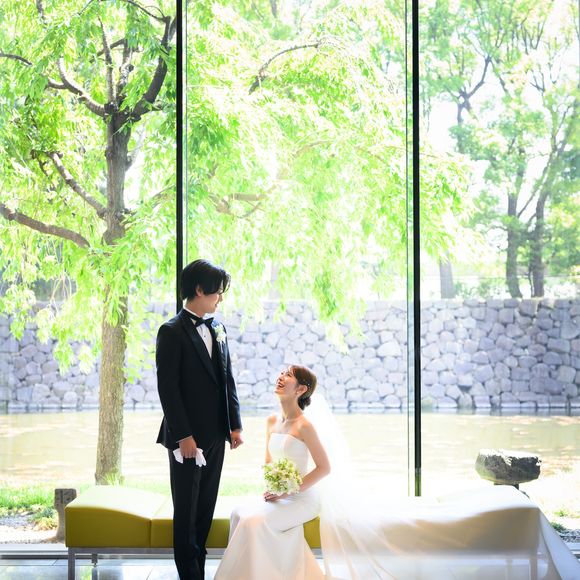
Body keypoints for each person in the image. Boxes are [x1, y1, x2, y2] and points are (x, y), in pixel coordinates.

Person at [156, 259, 243, 580]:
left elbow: (226, 379)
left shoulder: (218, 328)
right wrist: (184, 436)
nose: (220, 298)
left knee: (205, 510)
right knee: (186, 514)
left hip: (217, 434)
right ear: (199, 290)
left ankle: (199, 574)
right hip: (187, 440)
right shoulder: (171, 331)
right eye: (217, 292)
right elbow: (168, 389)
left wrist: (235, 425)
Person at [214, 365, 329, 580]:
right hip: (278, 494)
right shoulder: (272, 421)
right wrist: (273, 487)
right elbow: (268, 462)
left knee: (252, 522)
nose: (281, 376)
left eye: (288, 375)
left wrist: (288, 491)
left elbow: (324, 468)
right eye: (282, 372)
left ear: (301, 389)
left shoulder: (305, 426)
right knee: (238, 513)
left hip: (302, 499)